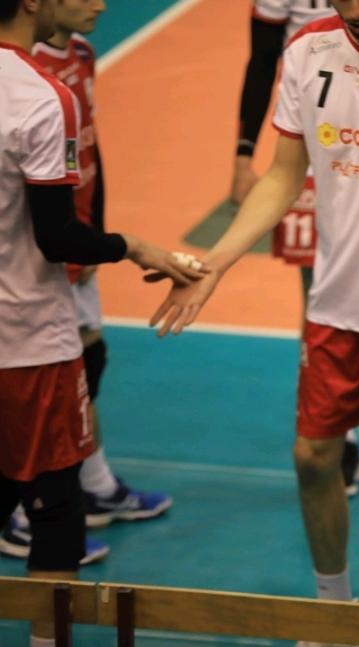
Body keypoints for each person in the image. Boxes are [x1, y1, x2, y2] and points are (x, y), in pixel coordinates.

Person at [151, 0, 359, 624]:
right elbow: (284, 176)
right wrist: (217, 262)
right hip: (334, 307)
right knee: (312, 458)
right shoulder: (307, 50)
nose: (354, 10)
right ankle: (332, 610)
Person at [0, 1, 205, 643]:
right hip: (28, 341)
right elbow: (58, 236)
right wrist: (134, 247)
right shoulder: (40, 96)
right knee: (57, 513)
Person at [232, 0, 359, 497]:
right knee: (320, 291)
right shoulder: (306, 45)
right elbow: (262, 58)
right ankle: (340, 434)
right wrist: (243, 153)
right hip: (314, 141)